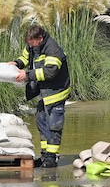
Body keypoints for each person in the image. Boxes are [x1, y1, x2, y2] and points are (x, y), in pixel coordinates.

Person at [9, 25, 70, 168]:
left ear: (40, 39)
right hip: (44, 92)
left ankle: (52, 157)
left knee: (54, 125)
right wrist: (16, 63)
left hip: (56, 91)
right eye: (29, 42)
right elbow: (25, 58)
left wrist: (27, 75)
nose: (30, 45)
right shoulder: (32, 45)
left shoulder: (53, 49)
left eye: (32, 43)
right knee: (41, 120)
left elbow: (50, 72)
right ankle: (44, 155)